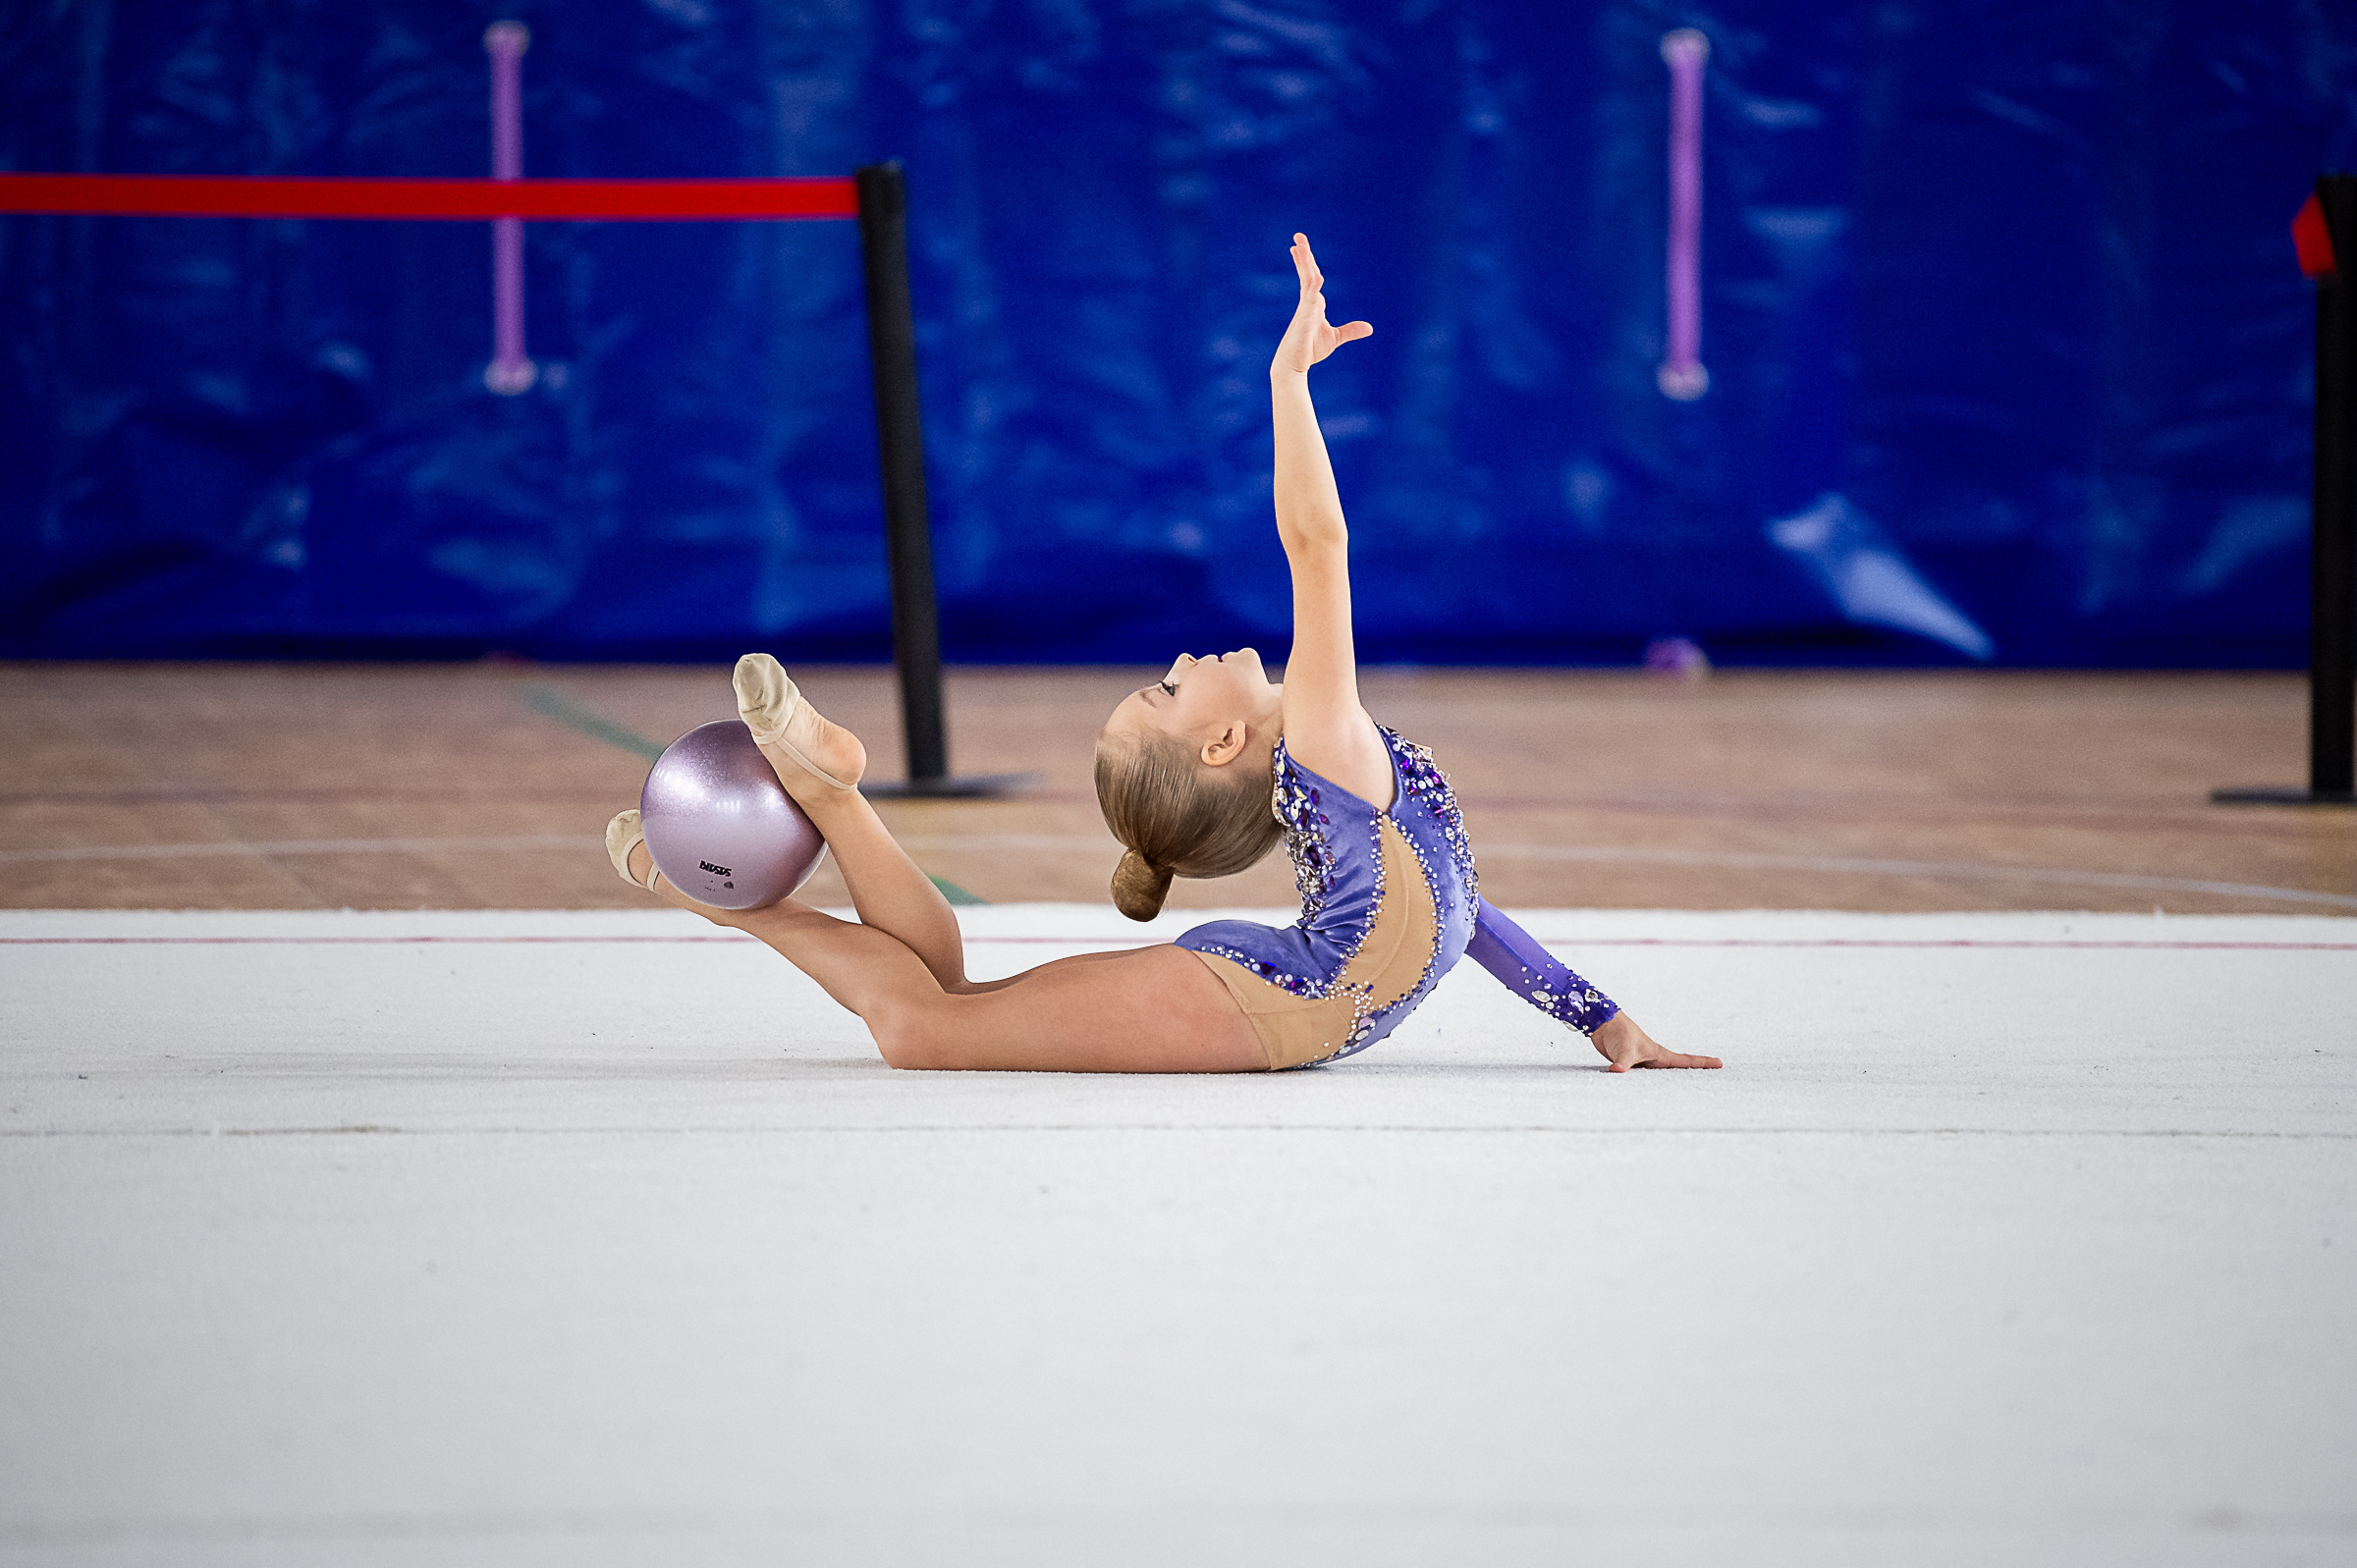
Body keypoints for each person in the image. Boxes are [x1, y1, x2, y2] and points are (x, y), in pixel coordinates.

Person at [603, 234, 1719, 1076]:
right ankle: (783, 845)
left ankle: (827, 804)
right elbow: (1317, 545)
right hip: (1249, 999)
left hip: (1259, 990)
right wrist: (1288, 386)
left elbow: (1465, 910)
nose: (1186, 655)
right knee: (927, 1023)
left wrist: (1605, 1022)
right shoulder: (1330, 743)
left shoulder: (1349, 759)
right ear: (1227, 740)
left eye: (1164, 680)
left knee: (941, 1007)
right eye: (1168, 688)